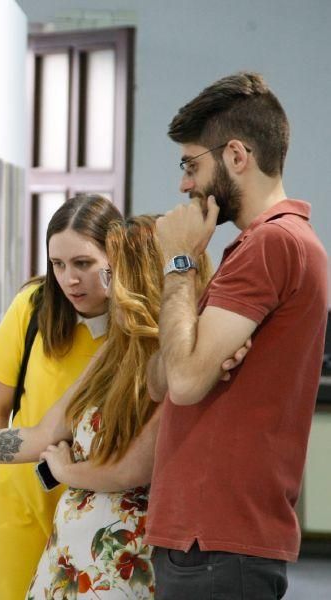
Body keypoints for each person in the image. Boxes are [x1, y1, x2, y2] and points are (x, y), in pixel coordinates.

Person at [0, 216, 220, 599]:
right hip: (71, 559)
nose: (100, 285)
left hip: (119, 565)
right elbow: (41, 434)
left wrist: (65, 470)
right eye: (59, 265)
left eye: (111, 272)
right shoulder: (114, 352)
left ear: (139, 280)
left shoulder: (174, 361)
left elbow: (131, 469)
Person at [146, 72, 328, 599]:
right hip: (207, 543)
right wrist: (193, 352)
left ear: (236, 156)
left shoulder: (272, 243)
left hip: (219, 545)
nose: (184, 184)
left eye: (190, 164)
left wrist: (178, 262)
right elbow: (162, 376)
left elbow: (179, 379)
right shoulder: (256, 247)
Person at [0, 194, 120, 599]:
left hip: (96, 515)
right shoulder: (32, 308)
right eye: (58, 264)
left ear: (115, 255)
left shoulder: (138, 326)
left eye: (83, 264)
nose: (69, 279)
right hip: (18, 506)